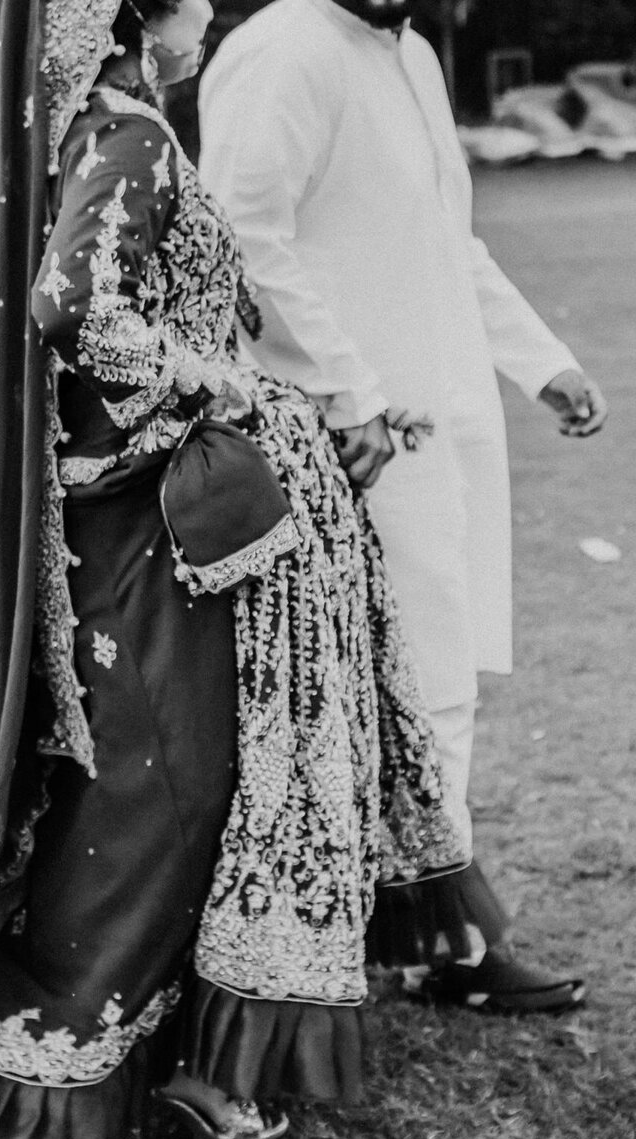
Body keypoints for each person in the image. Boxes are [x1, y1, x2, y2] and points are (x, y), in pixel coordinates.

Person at [0, 0, 470, 1139]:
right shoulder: (125, 133)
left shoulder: (78, 131)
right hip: (145, 541)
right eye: (192, 10)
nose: (204, 29)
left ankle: (161, 1062)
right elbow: (72, 307)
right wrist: (226, 389)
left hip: (122, 528)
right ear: (140, 22)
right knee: (164, 797)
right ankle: (59, 1082)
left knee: (151, 790)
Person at [199, 0, 608, 1014]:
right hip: (351, 436)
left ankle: (432, 931)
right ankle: (403, 941)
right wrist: (349, 390)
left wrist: (538, 364)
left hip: (440, 409)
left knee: (441, 674)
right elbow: (242, 237)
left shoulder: (410, 52)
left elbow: (447, 244)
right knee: (389, 688)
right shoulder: (284, 50)